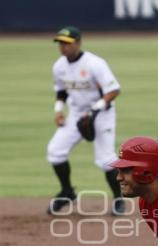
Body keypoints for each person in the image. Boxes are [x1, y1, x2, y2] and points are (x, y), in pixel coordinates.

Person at [46, 26, 124, 215]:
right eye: (60, 44)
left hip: (102, 114)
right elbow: (62, 91)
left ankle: (119, 199)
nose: (63, 47)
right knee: (55, 152)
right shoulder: (59, 66)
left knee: (106, 160)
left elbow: (113, 90)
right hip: (75, 114)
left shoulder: (95, 63)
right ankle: (67, 192)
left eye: (67, 43)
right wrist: (58, 110)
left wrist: (95, 110)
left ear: (78, 43)